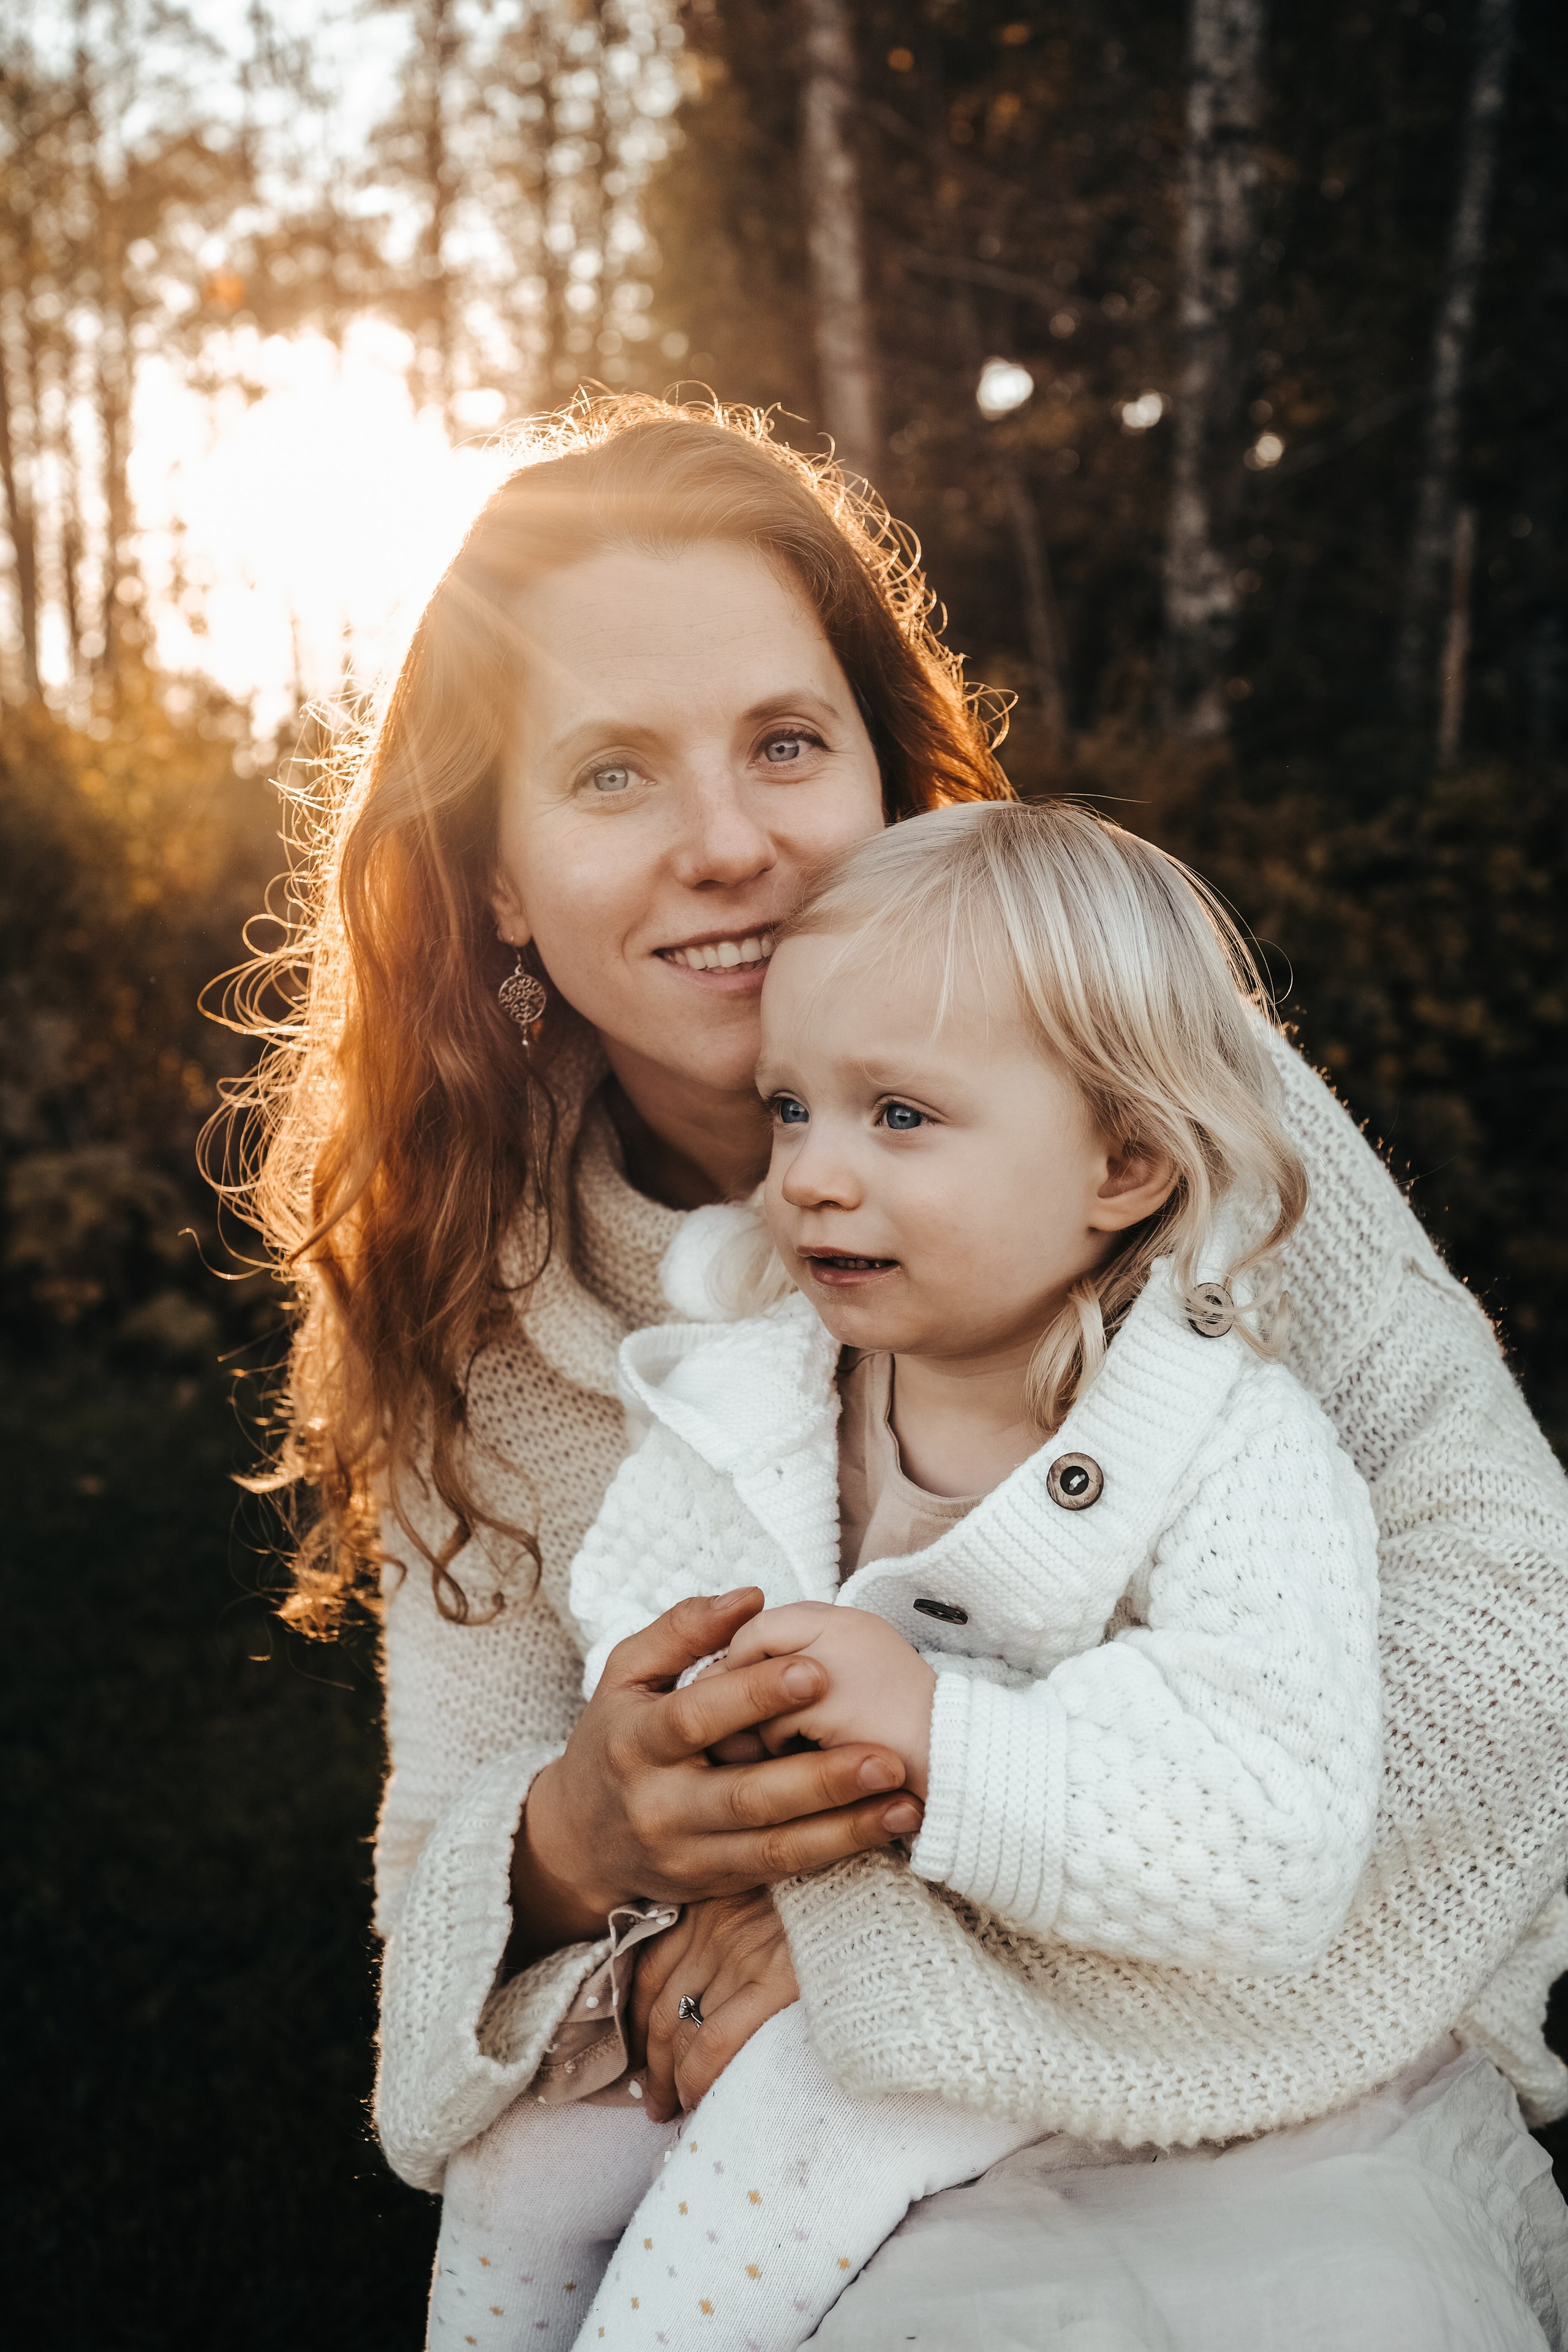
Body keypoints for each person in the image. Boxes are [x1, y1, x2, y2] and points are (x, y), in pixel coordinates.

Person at [234, 395, 1568, 2348]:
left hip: (1279, 2075)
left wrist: (888, 1938)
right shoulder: (484, 1292)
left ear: (887, 773)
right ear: (495, 874)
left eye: (787, 742)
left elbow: (1518, 1624)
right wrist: (579, 1840)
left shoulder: (1150, 1112)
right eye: (611, 773)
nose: (728, 847)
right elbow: (447, 1875)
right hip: (776, 2137)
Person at [424, 801, 1386, 2350]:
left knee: (779, 2149)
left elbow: (1272, 1823)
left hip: (1071, 1996)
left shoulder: (1225, 1441)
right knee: (523, 2154)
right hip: (803, 1946)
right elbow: (642, 1603)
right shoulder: (762, 1385)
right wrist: (680, 1725)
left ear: (1123, 1160)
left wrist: (938, 1737)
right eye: (790, 1108)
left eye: (897, 1116)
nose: (809, 1174)